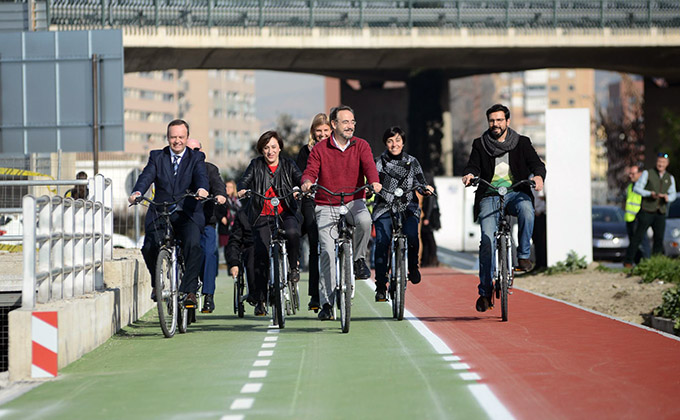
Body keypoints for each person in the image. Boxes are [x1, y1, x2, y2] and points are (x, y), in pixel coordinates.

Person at [462, 104, 545, 313]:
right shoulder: (480, 144)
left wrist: (537, 176)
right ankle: (484, 292)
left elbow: (537, 164)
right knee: (487, 242)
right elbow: (473, 165)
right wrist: (470, 174)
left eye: (499, 120)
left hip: (516, 192)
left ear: (507, 121)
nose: (495, 124)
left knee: (527, 210)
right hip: (489, 194)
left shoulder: (522, 142)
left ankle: (524, 256)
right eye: (492, 120)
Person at [301, 105, 382, 321]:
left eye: (352, 122)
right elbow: (310, 171)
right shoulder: (320, 149)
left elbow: (369, 167)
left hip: (354, 200)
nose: (350, 126)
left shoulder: (361, 145)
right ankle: (327, 303)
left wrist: (374, 181)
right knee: (327, 252)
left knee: (365, 220)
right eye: (345, 122)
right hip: (326, 203)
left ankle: (358, 259)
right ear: (334, 125)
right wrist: (307, 182)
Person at [128, 119, 209, 308]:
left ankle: (189, 291)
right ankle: (157, 283)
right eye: (173, 137)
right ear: (167, 137)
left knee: (193, 245)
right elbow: (146, 176)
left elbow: (201, 176)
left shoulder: (196, 158)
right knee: (148, 246)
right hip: (161, 211)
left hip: (187, 212)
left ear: (187, 138)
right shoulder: (157, 156)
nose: (177, 141)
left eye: (181, 137)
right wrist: (137, 192)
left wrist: (202, 189)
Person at [237, 131, 303, 316]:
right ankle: (260, 299)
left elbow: (300, 178)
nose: (270, 151)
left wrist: (300, 188)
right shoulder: (256, 165)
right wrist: (242, 189)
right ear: (261, 150)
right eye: (266, 148)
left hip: (285, 212)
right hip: (262, 215)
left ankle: (293, 267)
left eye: (274, 147)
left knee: (292, 233)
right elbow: (244, 180)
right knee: (261, 253)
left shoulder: (288, 164)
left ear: (280, 147)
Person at [372, 127, 433, 302]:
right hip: (384, 206)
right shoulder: (378, 162)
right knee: (382, 242)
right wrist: (371, 189)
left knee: (413, 235)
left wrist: (426, 189)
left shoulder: (412, 162)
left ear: (403, 142)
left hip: (408, 205)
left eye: (397, 140)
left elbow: (421, 182)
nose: (394, 144)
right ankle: (381, 286)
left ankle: (413, 267)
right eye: (390, 141)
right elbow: (373, 181)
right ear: (386, 143)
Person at [186, 139, 227, 314]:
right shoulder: (179, 171)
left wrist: (219, 195)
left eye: (196, 149)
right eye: (190, 150)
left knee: (209, 253)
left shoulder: (210, 169)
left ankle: (208, 295)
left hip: (207, 220)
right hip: (186, 220)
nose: (193, 152)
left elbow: (218, 185)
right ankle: (187, 289)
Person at [296, 113, 331, 311]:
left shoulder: (336, 150)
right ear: (313, 132)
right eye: (319, 130)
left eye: (326, 130)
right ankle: (315, 295)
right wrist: (305, 184)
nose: (322, 134)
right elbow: (300, 175)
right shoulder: (305, 151)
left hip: (333, 199)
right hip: (312, 200)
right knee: (315, 241)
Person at [624, 153, 677, 267]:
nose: (660, 164)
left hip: (660, 211)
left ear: (667, 164)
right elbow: (637, 188)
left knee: (658, 238)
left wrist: (668, 197)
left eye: (663, 162)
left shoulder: (670, 178)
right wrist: (650, 194)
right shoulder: (648, 174)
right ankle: (628, 261)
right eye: (659, 162)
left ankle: (655, 263)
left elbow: (673, 193)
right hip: (647, 210)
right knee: (637, 237)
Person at [226, 201, 256, 308]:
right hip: (251, 246)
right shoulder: (243, 214)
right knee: (252, 256)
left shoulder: (275, 210)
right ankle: (256, 295)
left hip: (270, 246)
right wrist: (234, 263)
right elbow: (234, 241)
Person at [623, 163, 651, 264]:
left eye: (633, 174)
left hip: (638, 218)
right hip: (629, 219)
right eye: (630, 174)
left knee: (643, 243)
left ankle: (647, 262)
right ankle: (637, 263)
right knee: (633, 244)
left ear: (640, 174)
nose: (630, 176)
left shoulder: (644, 186)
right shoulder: (630, 186)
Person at [217, 180, 241, 266]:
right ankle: (230, 267)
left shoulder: (237, 201)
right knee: (227, 248)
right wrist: (221, 217)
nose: (228, 189)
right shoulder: (222, 199)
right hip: (225, 228)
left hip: (236, 227)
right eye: (226, 187)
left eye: (230, 187)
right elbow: (216, 211)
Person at [420, 171, 441, 268]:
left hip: (429, 217)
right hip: (431, 215)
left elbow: (429, 204)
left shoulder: (429, 190)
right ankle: (429, 259)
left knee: (428, 238)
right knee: (427, 238)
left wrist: (427, 217)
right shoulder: (433, 188)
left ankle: (430, 259)